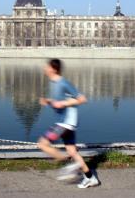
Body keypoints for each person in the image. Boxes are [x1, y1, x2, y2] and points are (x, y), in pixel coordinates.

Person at [37, 59, 99, 188]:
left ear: (53, 69)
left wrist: (63, 103)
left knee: (42, 143)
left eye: (46, 67)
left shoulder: (63, 83)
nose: (44, 69)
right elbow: (57, 101)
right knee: (72, 152)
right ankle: (91, 178)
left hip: (64, 123)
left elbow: (82, 99)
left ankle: (65, 161)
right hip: (66, 123)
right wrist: (48, 101)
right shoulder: (53, 82)